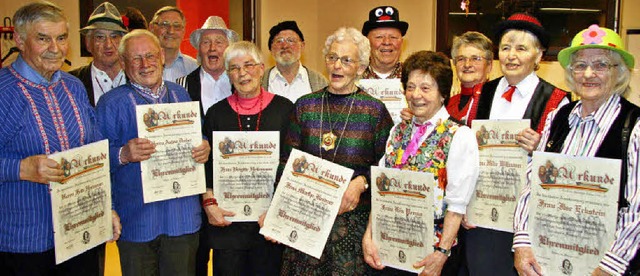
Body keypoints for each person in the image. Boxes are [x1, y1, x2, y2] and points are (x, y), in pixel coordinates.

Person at [0, 2, 120, 275]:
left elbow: (94, 153)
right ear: (19, 40)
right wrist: (21, 169)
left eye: (61, 38)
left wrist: (107, 207)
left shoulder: (73, 86)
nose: (55, 48)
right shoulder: (4, 91)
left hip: (80, 235)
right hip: (25, 244)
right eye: (43, 38)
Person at [513, 25, 640, 276]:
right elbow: (533, 185)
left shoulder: (634, 125)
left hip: (606, 266)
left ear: (619, 72)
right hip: (547, 260)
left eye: (601, 65)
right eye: (580, 65)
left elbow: (637, 210)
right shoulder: (557, 118)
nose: (588, 74)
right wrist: (523, 242)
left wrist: (608, 268)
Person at [95, 29, 210, 276]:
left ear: (161, 57)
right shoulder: (110, 103)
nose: (145, 64)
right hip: (137, 220)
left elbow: (196, 136)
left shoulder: (180, 93)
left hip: (182, 219)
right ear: (124, 63)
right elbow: (96, 161)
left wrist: (203, 146)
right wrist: (123, 154)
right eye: (136, 59)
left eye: (150, 56)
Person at [279, 27, 394, 275]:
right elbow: (286, 162)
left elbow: (389, 168)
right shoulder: (305, 106)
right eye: (332, 58)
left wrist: (362, 182)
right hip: (306, 221)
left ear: (361, 67)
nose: (337, 66)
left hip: (352, 227)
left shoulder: (375, 111)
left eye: (346, 60)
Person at [463, 13, 569, 275]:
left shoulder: (558, 100)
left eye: (521, 48)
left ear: (539, 55)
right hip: (482, 211)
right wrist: (462, 203)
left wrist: (542, 148)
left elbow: (565, 165)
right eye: (505, 48)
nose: (511, 56)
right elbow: (464, 152)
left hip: (527, 221)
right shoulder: (482, 92)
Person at [362, 50, 479, 275]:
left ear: (443, 93)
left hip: (431, 254)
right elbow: (380, 190)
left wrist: (441, 253)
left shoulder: (460, 135)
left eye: (426, 88)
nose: (416, 95)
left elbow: (457, 204)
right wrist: (369, 236)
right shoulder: (397, 130)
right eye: (410, 86)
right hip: (389, 247)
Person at [202, 41, 293, 275]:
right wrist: (209, 203)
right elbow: (206, 166)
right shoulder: (216, 113)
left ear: (262, 68)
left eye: (248, 65)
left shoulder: (285, 110)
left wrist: (279, 209)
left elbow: (293, 164)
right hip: (228, 223)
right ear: (228, 74)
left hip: (269, 222)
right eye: (234, 68)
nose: (242, 73)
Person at [176, 15, 238, 117]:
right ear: (199, 50)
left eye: (219, 42)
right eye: (206, 42)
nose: (212, 48)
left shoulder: (239, 83)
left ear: (228, 49)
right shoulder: (182, 85)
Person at [69, 2, 127, 107]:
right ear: (88, 43)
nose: (108, 45)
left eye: (114, 37)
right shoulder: (71, 82)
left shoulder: (137, 78)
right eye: (100, 37)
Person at [262, 20, 328, 102]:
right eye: (279, 41)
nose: (285, 46)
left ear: (302, 46)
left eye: (291, 40)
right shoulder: (259, 82)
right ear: (271, 48)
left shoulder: (320, 82)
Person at [446, 31, 493, 125]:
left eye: (475, 58)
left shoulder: (494, 101)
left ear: (489, 65)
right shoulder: (448, 104)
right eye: (461, 59)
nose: (467, 65)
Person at [149, 6, 198, 82]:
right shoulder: (142, 67)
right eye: (164, 24)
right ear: (152, 28)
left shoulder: (194, 68)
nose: (171, 31)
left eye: (177, 26)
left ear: (183, 31)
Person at [361, 5, 408, 79]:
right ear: (367, 42)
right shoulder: (353, 76)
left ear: (401, 43)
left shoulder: (411, 76)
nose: (387, 42)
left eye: (393, 37)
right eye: (379, 37)